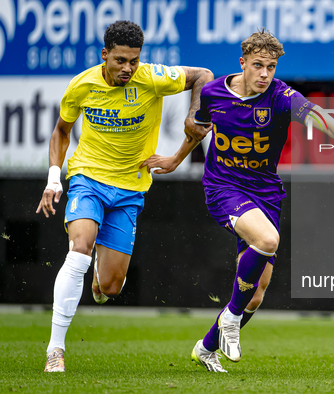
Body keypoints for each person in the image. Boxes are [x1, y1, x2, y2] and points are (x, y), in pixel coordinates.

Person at [185, 29, 334, 372]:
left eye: (271, 67)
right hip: (224, 187)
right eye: (258, 65)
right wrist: (175, 160)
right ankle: (229, 318)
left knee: (257, 293)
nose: (265, 74)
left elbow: (319, 116)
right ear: (242, 62)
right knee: (267, 240)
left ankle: (205, 348)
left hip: (265, 193)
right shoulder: (214, 92)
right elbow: (197, 130)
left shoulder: (280, 95)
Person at [36, 20, 213, 372]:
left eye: (134, 60)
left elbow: (203, 75)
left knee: (112, 287)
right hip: (88, 177)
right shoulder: (82, 86)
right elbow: (61, 132)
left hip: (130, 187)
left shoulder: (151, 78)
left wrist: (195, 115)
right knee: (80, 249)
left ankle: (102, 282)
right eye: (120, 60)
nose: (128, 68)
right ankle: (55, 350)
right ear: (105, 55)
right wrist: (54, 179)